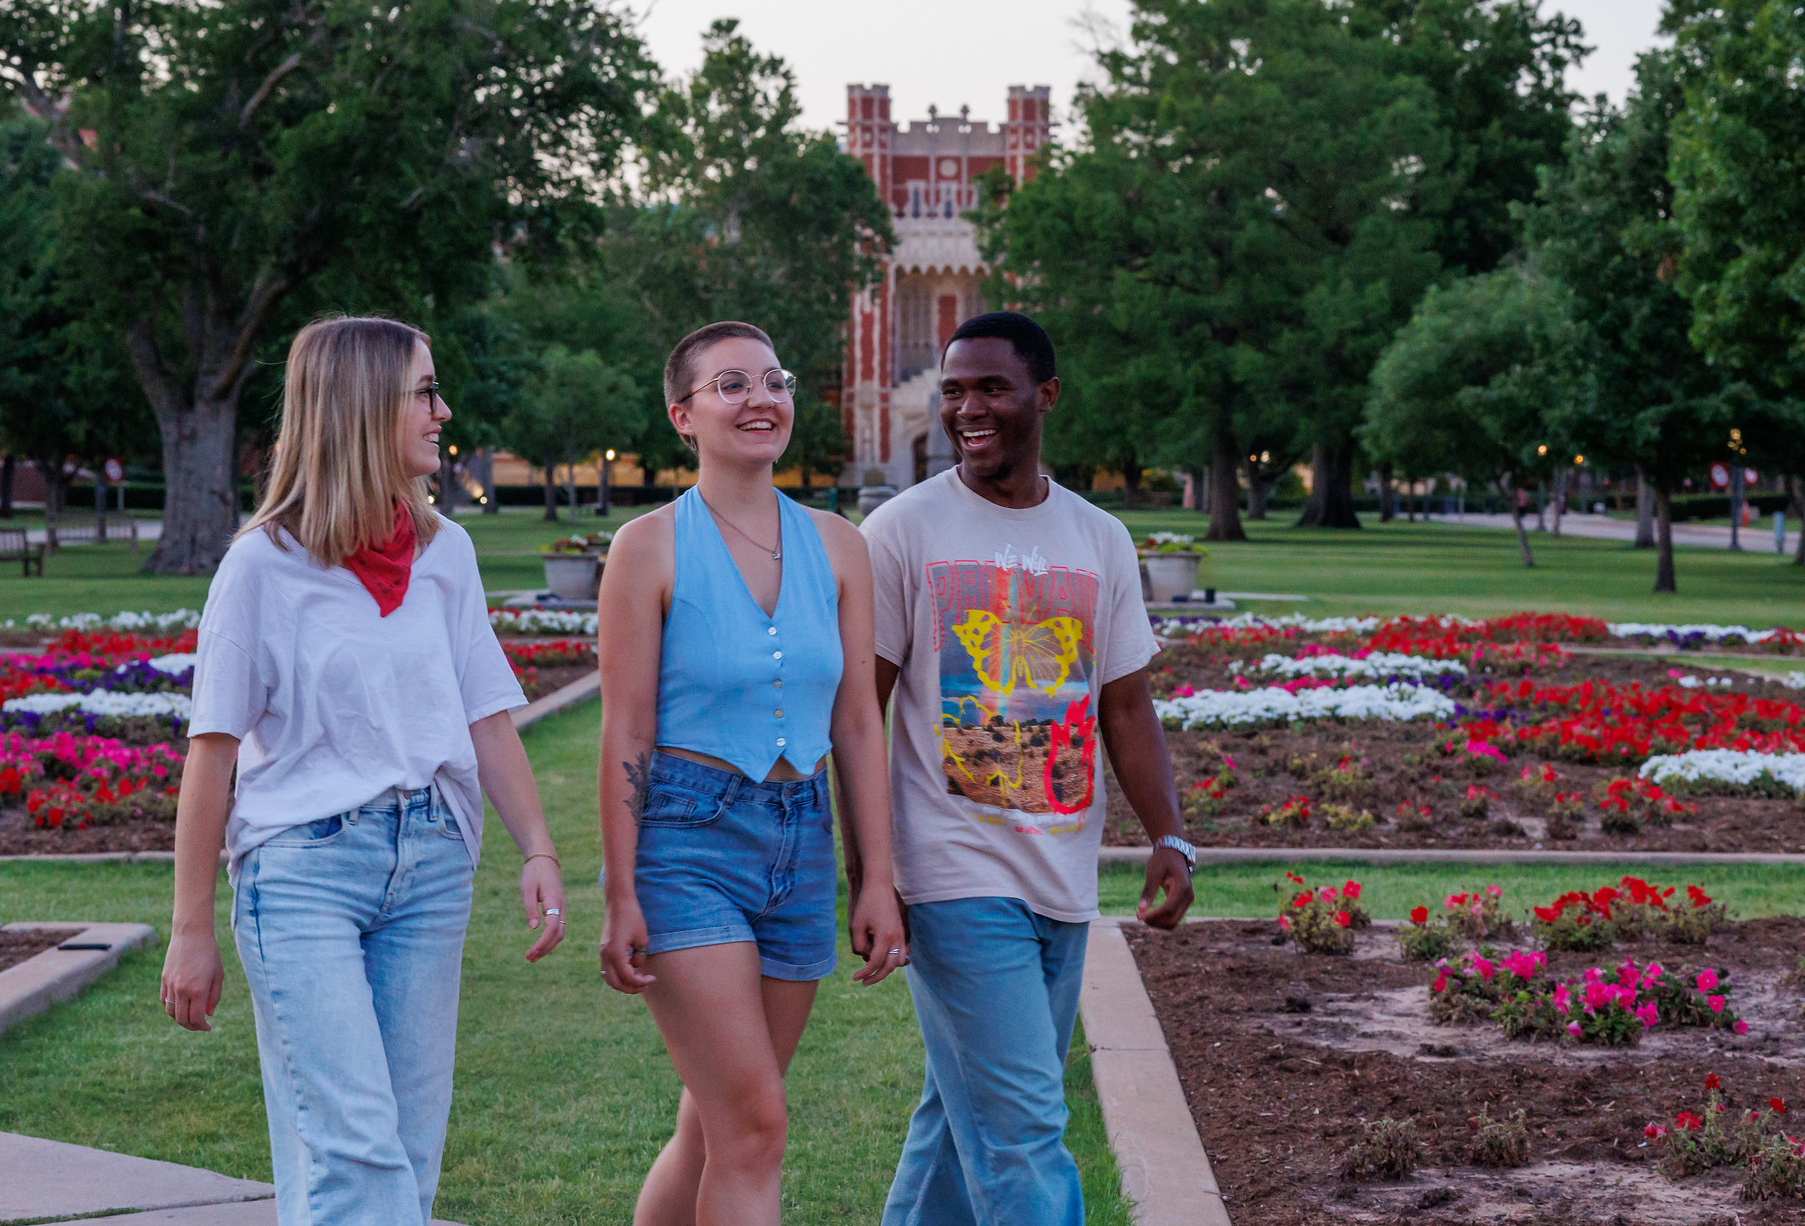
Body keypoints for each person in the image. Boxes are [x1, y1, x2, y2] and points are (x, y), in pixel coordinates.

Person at [159, 315, 567, 1226]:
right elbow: (212, 752)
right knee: (356, 1151)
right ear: (360, 406)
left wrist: (536, 846)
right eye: (424, 391)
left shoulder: (446, 555)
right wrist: (191, 928)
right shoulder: (260, 567)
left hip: (430, 866)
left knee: (403, 1158)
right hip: (300, 874)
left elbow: (486, 713)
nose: (443, 410)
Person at [858, 310, 1197, 1226]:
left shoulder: (1099, 538)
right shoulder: (902, 530)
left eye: (991, 388)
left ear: (1044, 397)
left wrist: (1169, 835)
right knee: (1023, 1135)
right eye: (954, 389)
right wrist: (872, 873)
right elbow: (860, 709)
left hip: (1060, 871)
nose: (968, 407)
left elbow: (1124, 704)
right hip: (952, 874)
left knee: (959, 1116)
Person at [596, 320, 909, 1226]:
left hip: (802, 843)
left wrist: (875, 878)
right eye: (730, 385)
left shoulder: (841, 545)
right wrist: (621, 892)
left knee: (714, 1124)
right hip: (687, 845)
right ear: (681, 416)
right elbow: (627, 728)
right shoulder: (647, 547)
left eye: (773, 379)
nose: (760, 398)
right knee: (755, 1125)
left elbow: (856, 717)